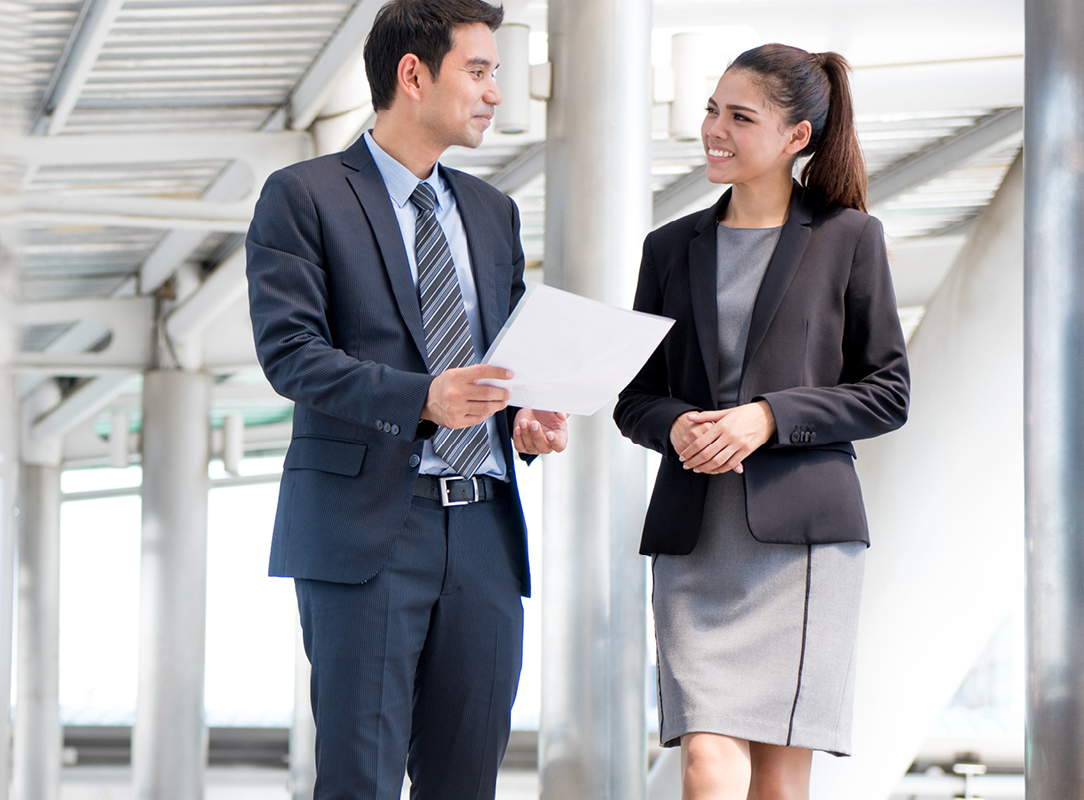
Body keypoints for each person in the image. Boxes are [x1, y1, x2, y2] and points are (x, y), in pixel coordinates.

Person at [245, 1, 569, 796]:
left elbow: (497, 364)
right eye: (480, 70)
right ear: (413, 74)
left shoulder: (492, 213)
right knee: (360, 778)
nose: (496, 93)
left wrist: (521, 418)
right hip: (369, 533)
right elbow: (291, 356)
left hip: (487, 529)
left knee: (467, 781)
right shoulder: (305, 195)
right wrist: (424, 397)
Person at [615, 44, 909, 800]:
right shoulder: (669, 247)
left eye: (739, 116)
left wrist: (767, 418)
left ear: (796, 138)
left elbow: (886, 392)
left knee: (779, 782)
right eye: (712, 109)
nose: (714, 128)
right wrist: (676, 425)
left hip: (802, 548)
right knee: (706, 759)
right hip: (695, 539)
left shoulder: (848, 238)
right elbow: (636, 397)